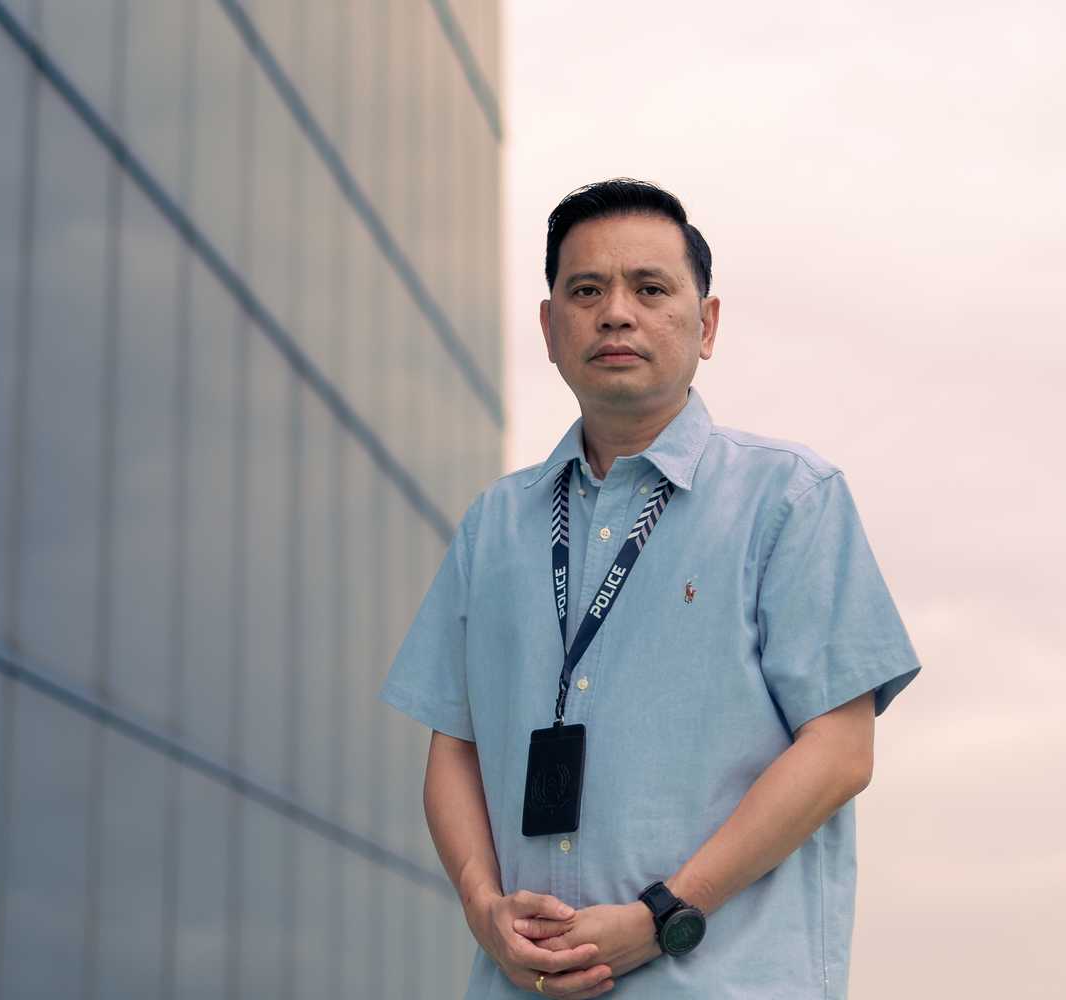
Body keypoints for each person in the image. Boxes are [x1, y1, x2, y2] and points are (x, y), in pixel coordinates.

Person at [378, 178, 922, 998]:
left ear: (705, 326)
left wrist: (663, 913)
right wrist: (480, 904)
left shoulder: (791, 501)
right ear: (549, 327)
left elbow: (841, 752)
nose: (616, 313)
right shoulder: (495, 524)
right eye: (586, 290)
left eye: (650, 288)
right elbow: (452, 745)